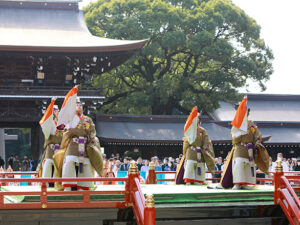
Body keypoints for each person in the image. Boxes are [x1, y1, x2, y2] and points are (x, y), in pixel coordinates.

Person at [221, 97, 269, 190]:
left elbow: (257, 134)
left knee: (248, 165)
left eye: (246, 110)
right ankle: (237, 183)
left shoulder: (251, 123)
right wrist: (239, 134)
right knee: (238, 164)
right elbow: (233, 137)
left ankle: (245, 183)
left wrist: (257, 141)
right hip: (240, 147)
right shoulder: (237, 123)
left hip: (250, 148)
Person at [60, 96, 103, 191]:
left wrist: (90, 139)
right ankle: (68, 187)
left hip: (84, 145)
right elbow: (67, 131)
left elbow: (92, 131)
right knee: (69, 163)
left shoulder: (87, 119)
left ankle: (83, 187)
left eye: (80, 105)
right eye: (77, 105)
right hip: (73, 146)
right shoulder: (70, 119)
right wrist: (75, 131)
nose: (79, 106)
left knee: (84, 167)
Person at [182, 114, 215, 185]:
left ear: (199, 120)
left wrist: (205, 149)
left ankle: (198, 180)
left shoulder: (202, 130)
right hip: (191, 151)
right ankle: (189, 180)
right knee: (190, 165)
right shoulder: (189, 129)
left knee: (199, 166)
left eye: (197, 118)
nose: (196, 120)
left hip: (200, 151)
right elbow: (186, 141)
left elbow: (207, 141)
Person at [39, 100, 63, 179]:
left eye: (58, 111)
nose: (57, 113)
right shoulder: (50, 124)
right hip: (51, 148)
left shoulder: (64, 125)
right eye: (55, 111)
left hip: (60, 149)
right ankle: (45, 185)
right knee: (47, 166)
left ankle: (57, 185)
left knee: (58, 169)